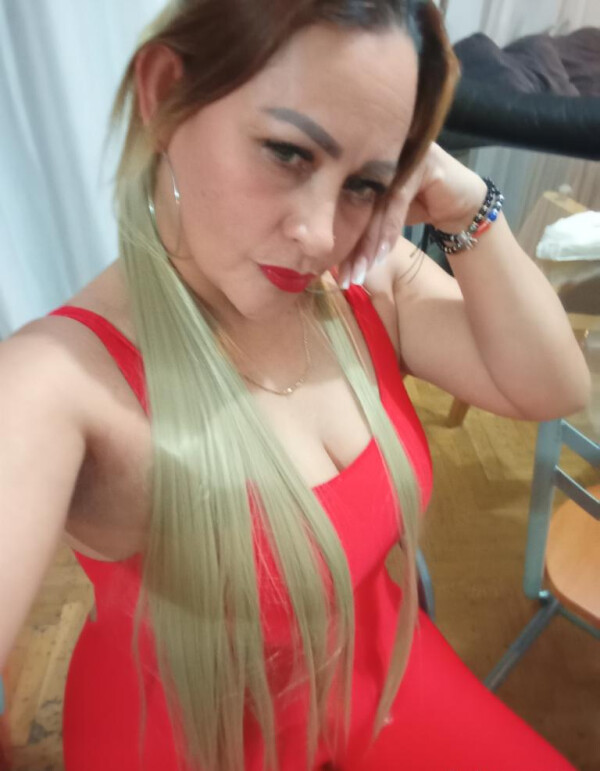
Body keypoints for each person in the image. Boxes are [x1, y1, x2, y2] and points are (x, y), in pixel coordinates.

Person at [0, 1, 590, 769]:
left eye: (364, 183)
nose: (318, 235)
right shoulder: (58, 380)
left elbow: (552, 385)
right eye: (287, 152)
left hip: (380, 676)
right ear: (165, 92)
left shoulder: (366, 281)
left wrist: (466, 202)